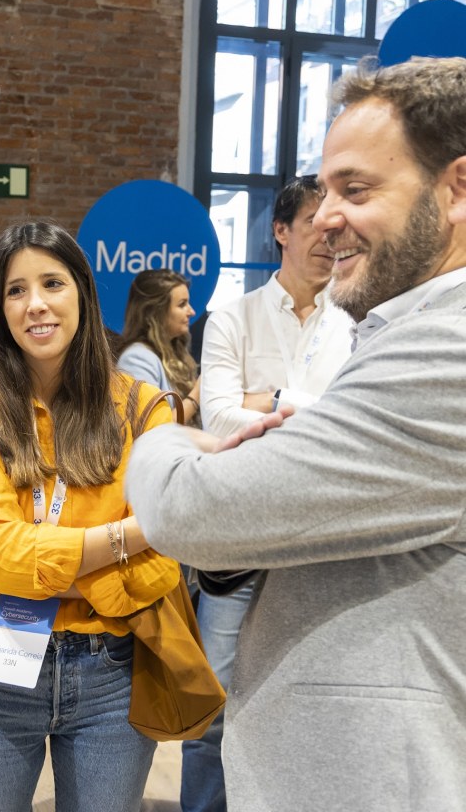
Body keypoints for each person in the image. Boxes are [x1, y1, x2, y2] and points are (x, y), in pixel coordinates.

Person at [126, 56, 466, 812]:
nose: (326, 218)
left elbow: (192, 511)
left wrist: (157, 438)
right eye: (322, 193)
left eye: (357, 189)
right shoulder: (384, 327)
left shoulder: (446, 348)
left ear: (457, 190)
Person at [0, 221, 183, 812]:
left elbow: (163, 565)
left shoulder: (143, 409)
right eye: (15, 290)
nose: (35, 304)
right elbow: (3, 547)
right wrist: (129, 536)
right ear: (0, 308)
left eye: (52, 283)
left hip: (109, 668)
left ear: (83, 295)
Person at [182, 175, 353, 812]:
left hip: (323, 542)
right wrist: (305, 408)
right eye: (313, 220)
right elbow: (218, 420)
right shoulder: (233, 317)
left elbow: (357, 424)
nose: (329, 234)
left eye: (336, 222)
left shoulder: (357, 318)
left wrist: (271, 400)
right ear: (280, 230)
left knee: (313, 707)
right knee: (214, 709)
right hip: (240, 543)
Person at [117, 269, 202, 426]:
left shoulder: (174, 352)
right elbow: (153, 428)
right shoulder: (136, 358)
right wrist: (196, 396)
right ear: (156, 312)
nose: (191, 311)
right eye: (182, 304)